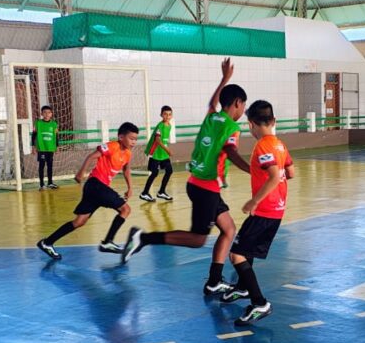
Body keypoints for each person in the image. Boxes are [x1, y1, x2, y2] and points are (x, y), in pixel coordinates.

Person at [121, 58, 249, 296]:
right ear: (238, 103)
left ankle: (214, 281)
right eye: (243, 106)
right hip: (206, 187)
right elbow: (231, 151)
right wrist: (252, 169)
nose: (243, 111)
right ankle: (143, 238)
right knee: (198, 239)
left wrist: (224, 79)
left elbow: (212, 103)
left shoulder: (212, 117)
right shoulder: (233, 128)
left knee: (229, 229)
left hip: (197, 184)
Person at [221, 100, 294, 326]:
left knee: (236, 255)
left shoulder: (263, 146)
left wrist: (254, 200)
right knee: (246, 249)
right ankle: (243, 287)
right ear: (273, 121)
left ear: (251, 124)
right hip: (276, 209)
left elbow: (274, 176)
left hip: (265, 210)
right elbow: (290, 172)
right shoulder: (280, 145)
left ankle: (259, 303)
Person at [36, 122, 139, 260]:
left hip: (96, 189)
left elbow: (126, 169)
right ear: (121, 137)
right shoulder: (112, 146)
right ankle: (108, 242)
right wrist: (81, 172)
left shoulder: (127, 153)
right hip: (96, 184)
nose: (134, 142)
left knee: (79, 221)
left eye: (136, 139)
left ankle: (47, 242)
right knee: (125, 209)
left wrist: (130, 187)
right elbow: (91, 156)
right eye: (131, 138)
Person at [140, 105, 174, 202]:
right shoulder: (160, 126)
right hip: (155, 153)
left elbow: (164, 140)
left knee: (169, 171)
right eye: (165, 114)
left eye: (169, 114)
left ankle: (161, 192)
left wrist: (166, 150)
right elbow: (158, 140)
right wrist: (167, 150)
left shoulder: (169, 125)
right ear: (161, 115)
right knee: (154, 173)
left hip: (163, 154)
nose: (167, 116)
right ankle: (144, 193)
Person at [34, 105, 59, 191]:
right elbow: (34, 135)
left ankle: (50, 183)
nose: (47, 114)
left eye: (49, 112)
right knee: (41, 166)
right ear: (41, 113)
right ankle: (41, 184)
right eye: (44, 112)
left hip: (50, 148)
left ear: (51, 114)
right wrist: (33, 146)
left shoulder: (54, 124)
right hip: (41, 148)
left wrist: (57, 147)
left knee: (50, 165)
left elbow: (56, 136)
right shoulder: (38, 123)